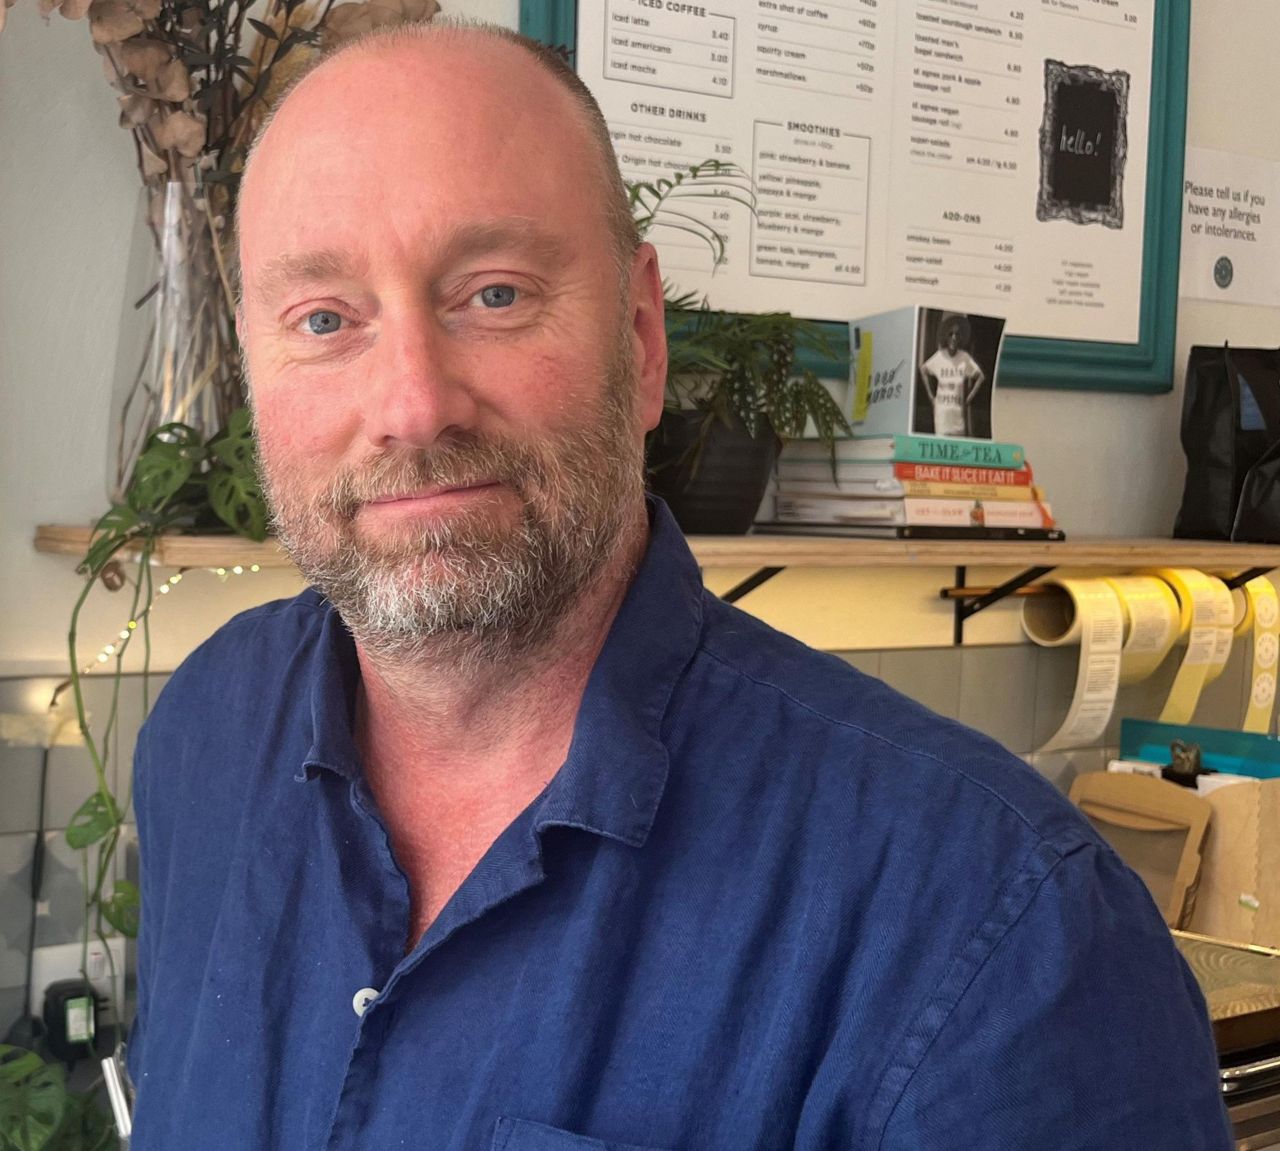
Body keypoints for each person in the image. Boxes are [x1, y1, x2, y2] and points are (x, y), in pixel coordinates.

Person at [126, 20, 1228, 1149]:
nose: (413, 403)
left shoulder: (999, 931)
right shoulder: (204, 739)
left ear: (641, 339)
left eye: (493, 294)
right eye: (322, 319)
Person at [918, 314, 986, 438]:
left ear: (960, 338)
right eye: (951, 334)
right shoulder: (940, 356)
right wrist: (930, 396)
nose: (954, 338)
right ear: (946, 337)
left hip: (957, 416)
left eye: (957, 334)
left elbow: (980, 377)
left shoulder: (964, 358)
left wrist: (969, 399)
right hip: (942, 415)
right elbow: (923, 370)